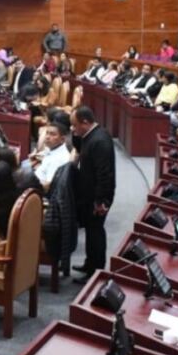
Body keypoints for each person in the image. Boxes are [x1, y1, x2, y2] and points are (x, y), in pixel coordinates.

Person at [72, 106, 115, 282]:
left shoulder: (100, 141)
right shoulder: (90, 136)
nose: (73, 129)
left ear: (85, 122)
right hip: (90, 194)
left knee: (96, 232)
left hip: (98, 197)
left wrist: (101, 201)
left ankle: (95, 272)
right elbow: (81, 149)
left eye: (75, 126)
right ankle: (89, 264)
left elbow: (104, 174)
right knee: (91, 231)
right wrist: (75, 135)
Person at [29, 121, 72, 192]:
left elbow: (49, 186)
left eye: (52, 134)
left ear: (62, 139)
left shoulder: (58, 159)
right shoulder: (51, 149)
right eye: (47, 133)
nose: (47, 137)